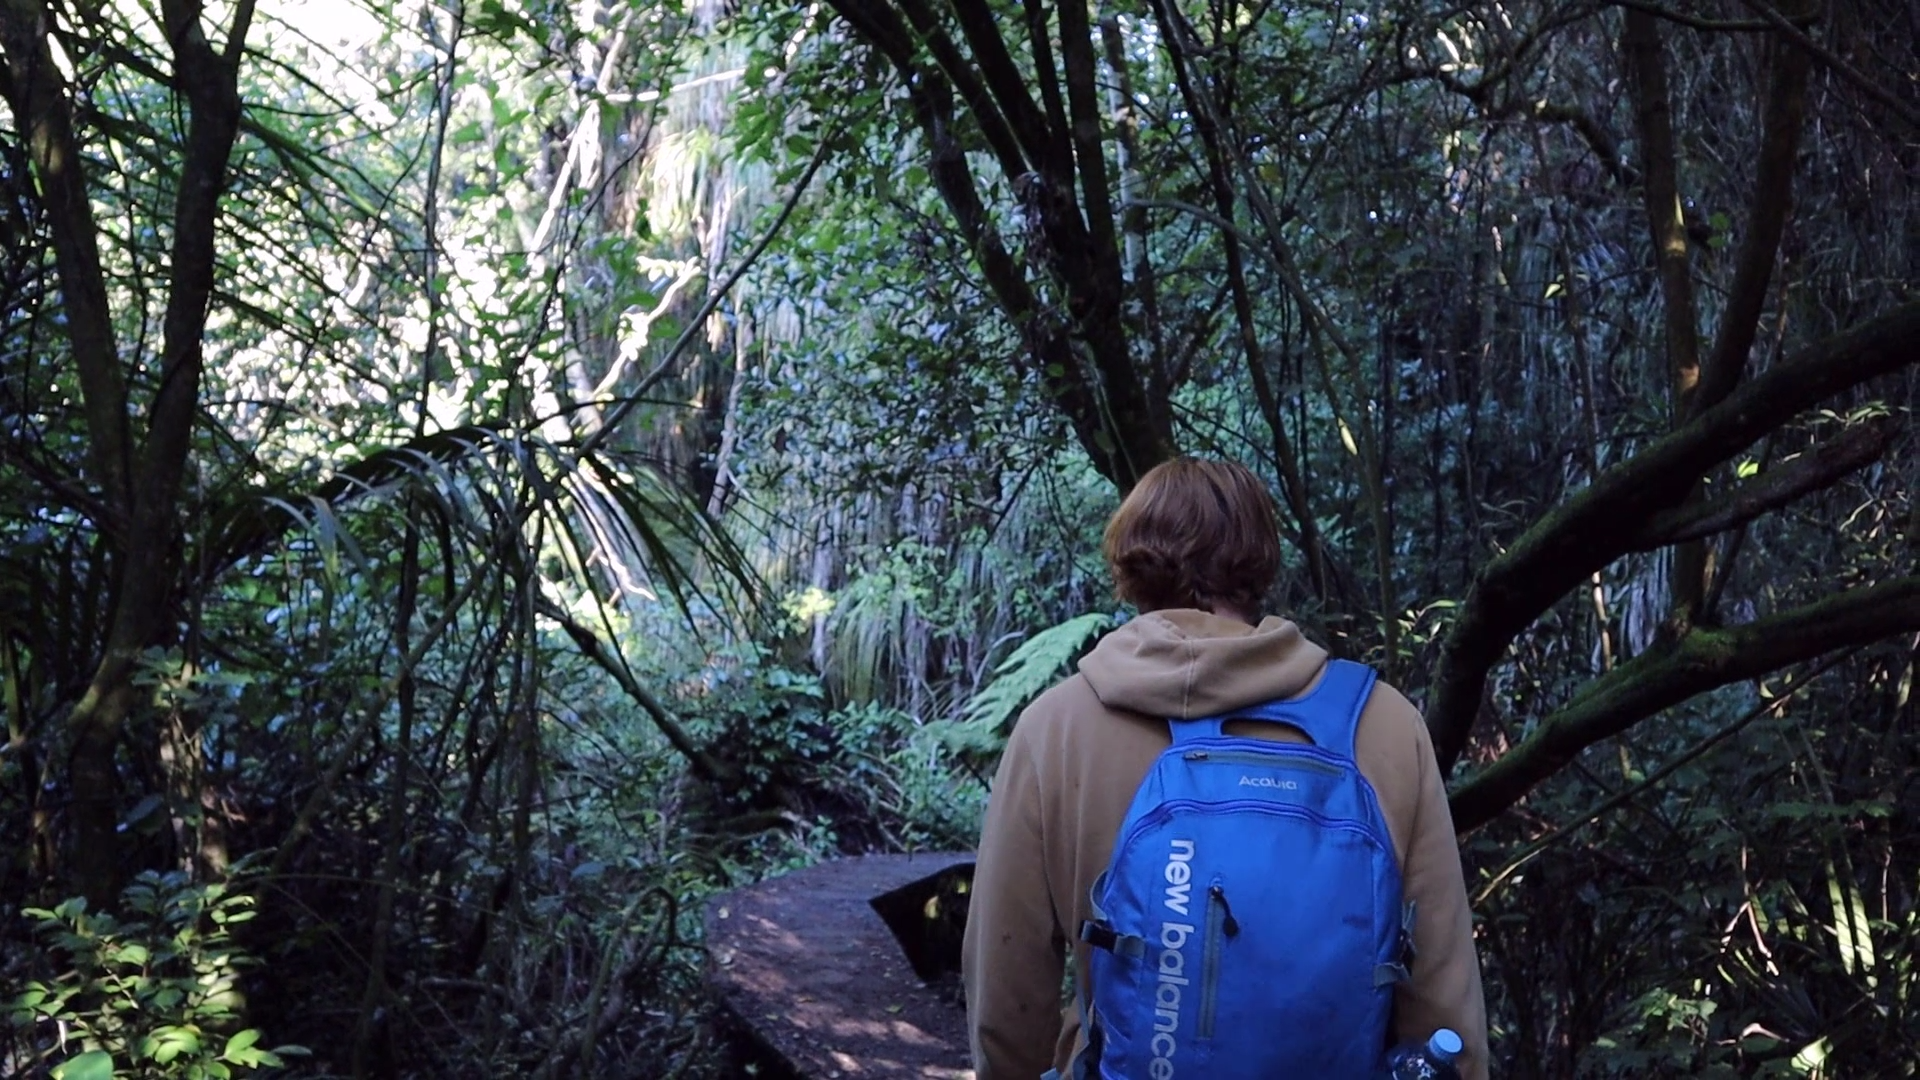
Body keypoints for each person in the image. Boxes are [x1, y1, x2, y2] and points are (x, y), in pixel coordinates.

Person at [960, 457, 1489, 1079]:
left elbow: (1007, 990)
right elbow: (1443, 991)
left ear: (1131, 564)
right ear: (1260, 561)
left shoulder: (1056, 727)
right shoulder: (1383, 724)